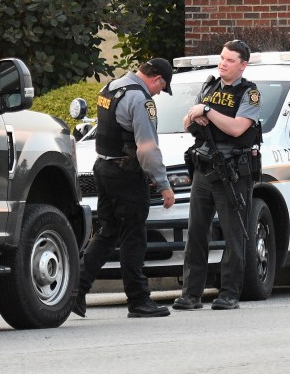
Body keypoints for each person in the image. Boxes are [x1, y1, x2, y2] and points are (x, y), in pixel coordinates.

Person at [72, 58, 176, 318]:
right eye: (161, 88)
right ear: (157, 79)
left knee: (108, 232)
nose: (158, 93)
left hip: (104, 169)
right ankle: (139, 300)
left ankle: (75, 289)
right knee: (134, 237)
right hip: (126, 175)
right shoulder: (140, 99)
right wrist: (164, 186)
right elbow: (148, 149)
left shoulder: (112, 87)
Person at [174, 39, 261, 311]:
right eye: (222, 58)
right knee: (197, 233)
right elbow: (187, 122)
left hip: (232, 171)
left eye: (230, 60)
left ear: (243, 65)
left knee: (234, 234)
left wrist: (208, 112)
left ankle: (228, 293)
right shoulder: (209, 86)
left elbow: (237, 129)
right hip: (204, 168)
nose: (223, 63)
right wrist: (197, 113)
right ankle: (191, 294)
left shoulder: (249, 93)